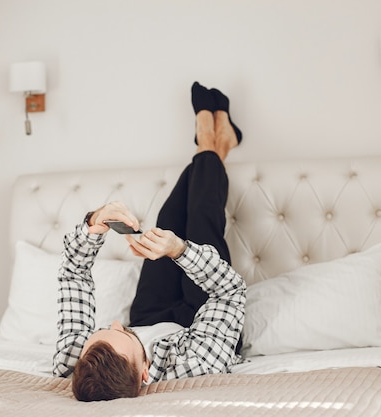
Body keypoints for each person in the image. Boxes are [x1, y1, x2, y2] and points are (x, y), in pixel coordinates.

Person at [52, 81, 246, 402]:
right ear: (145, 373)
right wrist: (180, 251)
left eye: (103, 329)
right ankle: (211, 140)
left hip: (150, 313)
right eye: (123, 332)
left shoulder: (76, 360)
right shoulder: (196, 361)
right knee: (201, 215)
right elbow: (230, 291)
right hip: (199, 323)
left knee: (171, 213)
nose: (115, 320)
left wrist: (93, 223)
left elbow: (73, 277)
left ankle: (214, 144)